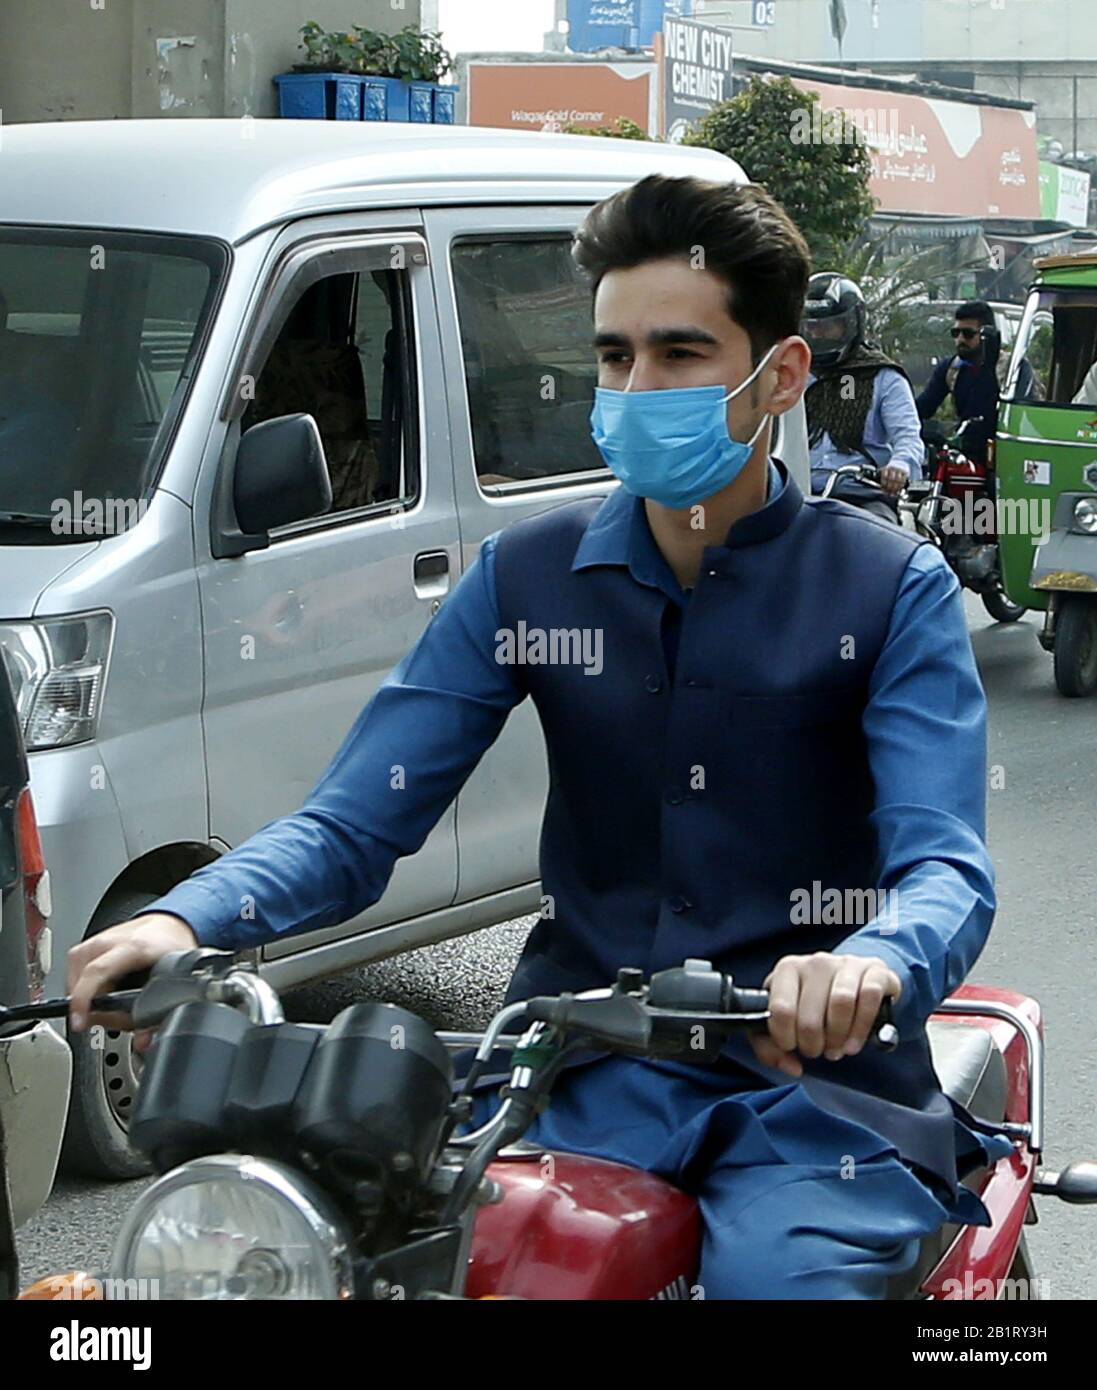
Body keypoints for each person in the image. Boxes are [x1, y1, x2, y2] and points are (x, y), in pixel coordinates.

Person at [67, 175, 1010, 1300]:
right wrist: (189, 914)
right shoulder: (525, 576)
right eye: (614, 357)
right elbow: (354, 821)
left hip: (812, 1097)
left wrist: (868, 962)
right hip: (570, 1072)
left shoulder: (886, 587)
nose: (634, 387)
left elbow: (941, 863)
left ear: (780, 376)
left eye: (678, 355)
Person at [801, 272, 924, 523]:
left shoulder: (883, 376)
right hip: (796, 490)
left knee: (880, 543)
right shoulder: (792, 373)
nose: (817, 335)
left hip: (860, 491)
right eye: (812, 326)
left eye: (827, 327)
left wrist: (899, 465)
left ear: (851, 324)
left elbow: (908, 436)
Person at [916, 301, 1002, 464]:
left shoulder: (1009, 369)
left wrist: (988, 366)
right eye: (956, 333)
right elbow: (923, 407)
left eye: (968, 334)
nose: (960, 339)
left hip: (1002, 457)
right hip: (965, 458)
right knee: (964, 490)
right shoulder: (951, 368)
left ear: (987, 335)